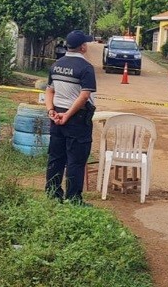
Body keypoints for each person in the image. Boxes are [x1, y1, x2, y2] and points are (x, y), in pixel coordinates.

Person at [45, 30, 96, 205]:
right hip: (76, 119)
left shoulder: (56, 65)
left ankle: (53, 194)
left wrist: (51, 111)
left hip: (56, 117)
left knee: (56, 157)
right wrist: (67, 115)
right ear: (82, 46)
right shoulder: (86, 68)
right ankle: (73, 199)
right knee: (76, 160)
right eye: (86, 43)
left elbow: (49, 90)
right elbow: (84, 96)